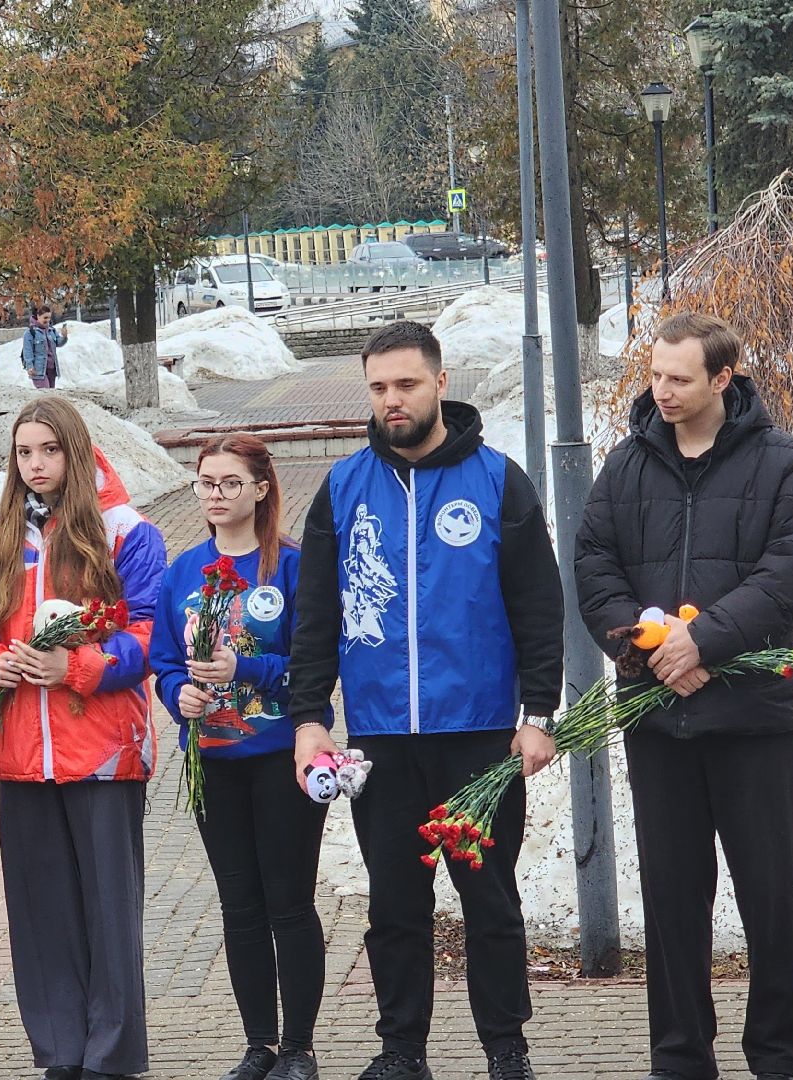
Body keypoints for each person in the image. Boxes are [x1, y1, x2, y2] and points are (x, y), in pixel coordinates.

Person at [287, 320, 563, 1080]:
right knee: (395, 907)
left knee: (491, 905)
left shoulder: (498, 480)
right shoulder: (344, 488)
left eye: (406, 384)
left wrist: (537, 714)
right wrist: (311, 719)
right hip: (381, 737)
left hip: (479, 736)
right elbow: (316, 617)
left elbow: (539, 608)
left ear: (441, 383)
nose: (391, 401)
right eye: (378, 388)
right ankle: (401, 1051)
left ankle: (507, 1050)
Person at [574, 313, 793, 1080]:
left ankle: (776, 1058)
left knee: (770, 902)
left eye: (680, 377)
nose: (663, 391)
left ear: (723, 377)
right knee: (674, 902)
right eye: (656, 375)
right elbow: (593, 562)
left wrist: (705, 642)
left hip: (753, 721)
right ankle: (680, 1058)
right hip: (660, 720)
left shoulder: (780, 463)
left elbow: (789, 570)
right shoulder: (627, 464)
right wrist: (647, 649)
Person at [0, 395, 167, 1080]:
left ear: (74, 452)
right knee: (41, 919)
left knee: (110, 919)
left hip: (103, 755)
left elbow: (148, 634)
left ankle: (110, 1059)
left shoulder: (125, 531)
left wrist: (75, 665)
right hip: (22, 757)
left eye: (49, 450)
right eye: (25, 452)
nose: (36, 464)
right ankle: (60, 1055)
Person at [150, 434, 329, 1080]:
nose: (215, 495)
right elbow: (163, 660)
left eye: (229, 483)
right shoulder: (183, 572)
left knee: (289, 902)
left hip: (280, 756)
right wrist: (180, 694)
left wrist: (245, 665)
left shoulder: (288, 565)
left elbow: (313, 662)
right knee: (240, 906)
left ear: (260, 488)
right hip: (213, 761)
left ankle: (300, 1047)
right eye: (205, 483)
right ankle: (259, 1043)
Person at [22, 305, 68, 390]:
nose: (47, 320)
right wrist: (30, 366)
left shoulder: (52, 330)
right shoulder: (30, 333)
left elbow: (59, 343)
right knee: (45, 393)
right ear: (38, 316)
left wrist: (64, 337)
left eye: (49, 318)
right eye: (45, 317)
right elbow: (27, 352)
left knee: (50, 395)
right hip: (39, 371)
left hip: (52, 369)